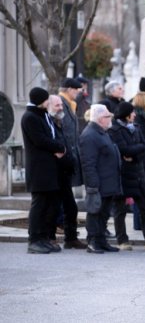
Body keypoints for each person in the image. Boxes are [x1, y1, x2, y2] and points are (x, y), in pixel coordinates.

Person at [21, 87, 66, 254]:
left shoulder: (43, 115)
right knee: (39, 204)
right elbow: (40, 140)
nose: (49, 102)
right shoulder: (30, 117)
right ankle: (34, 239)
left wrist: (60, 147)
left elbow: (51, 136)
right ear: (40, 100)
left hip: (50, 167)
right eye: (47, 99)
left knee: (50, 204)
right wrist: (59, 147)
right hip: (39, 168)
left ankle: (44, 237)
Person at [107, 102, 145, 251]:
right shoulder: (114, 129)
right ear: (126, 114)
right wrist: (132, 152)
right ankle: (122, 240)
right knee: (120, 209)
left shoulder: (136, 127)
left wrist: (133, 155)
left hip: (138, 173)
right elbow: (123, 149)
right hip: (122, 174)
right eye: (132, 112)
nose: (134, 115)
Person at [79, 104, 121, 253]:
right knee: (95, 213)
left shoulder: (101, 132)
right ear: (99, 118)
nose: (110, 119)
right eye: (107, 116)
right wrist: (93, 185)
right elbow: (88, 163)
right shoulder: (89, 135)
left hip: (108, 183)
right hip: (98, 184)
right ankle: (93, 241)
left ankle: (101, 241)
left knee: (103, 214)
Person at [47, 95, 86, 249]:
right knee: (53, 208)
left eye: (61, 106)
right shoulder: (48, 123)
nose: (61, 108)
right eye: (57, 105)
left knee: (71, 207)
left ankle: (71, 238)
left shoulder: (59, 123)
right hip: (53, 173)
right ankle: (49, 237)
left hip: (65, 172)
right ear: (49, 106)